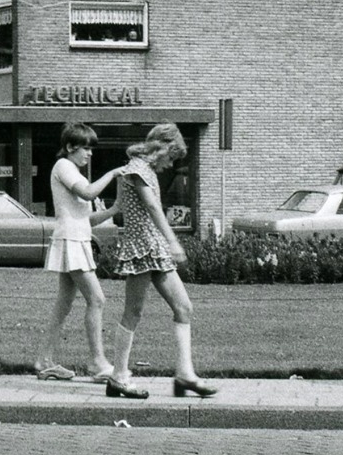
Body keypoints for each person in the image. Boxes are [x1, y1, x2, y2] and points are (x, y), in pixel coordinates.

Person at [98, 124, 216, 400]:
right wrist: (173, 240)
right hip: (143, 249)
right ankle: (118, 378)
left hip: (154, 249)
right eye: (171, 157)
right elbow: (151, 207)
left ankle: (185, 375)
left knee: (183, 307)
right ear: (162, 148)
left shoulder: (142, 169)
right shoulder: (137, 168)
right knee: (133, 313)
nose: (170, 164)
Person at [35, 123, 124, 383]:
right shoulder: (63, 166)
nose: (90, 153)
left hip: (76, 239)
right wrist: (112, 173)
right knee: (97, 299)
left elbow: (86, 219)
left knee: (63, 305)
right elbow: (87, 192)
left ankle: (44, 361)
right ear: (71, 147)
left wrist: (114, 209)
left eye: (91, 148)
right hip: (71, 242)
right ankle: (97, 362)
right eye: (85, 148)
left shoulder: (75, 172)